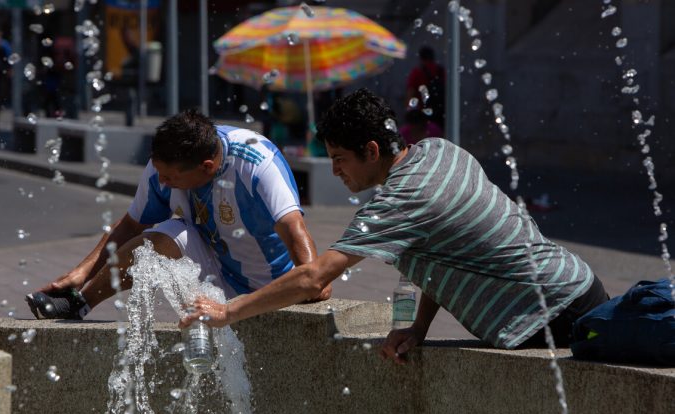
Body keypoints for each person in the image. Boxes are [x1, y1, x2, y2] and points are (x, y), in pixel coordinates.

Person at [180, 88, 609, 361]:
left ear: (370, 149)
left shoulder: (400, 199)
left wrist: (228, 310)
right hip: (571, 289)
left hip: (553, 313)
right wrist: (417, 327)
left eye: (339, 159)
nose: (335, 172)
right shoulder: (437, 151)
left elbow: (315, 278)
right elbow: (439, 250)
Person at [25, 110, 330, 319]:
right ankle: (80, 303)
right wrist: (80, 273)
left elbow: (294, 228)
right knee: (161, 237)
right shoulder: (165, 166)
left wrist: (312, 277)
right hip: (218, 271)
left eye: (170, 177)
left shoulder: (257, 162)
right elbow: (131, 224)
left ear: (206, 167)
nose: (163, 183)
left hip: (273, 284)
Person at [405, 45, 446, 131]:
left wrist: (409, 111)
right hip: (441, 112)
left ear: (420, 58)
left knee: (424, 138)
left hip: (422, 114)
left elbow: (411, 93)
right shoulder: (441, 71)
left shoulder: (417, 72)